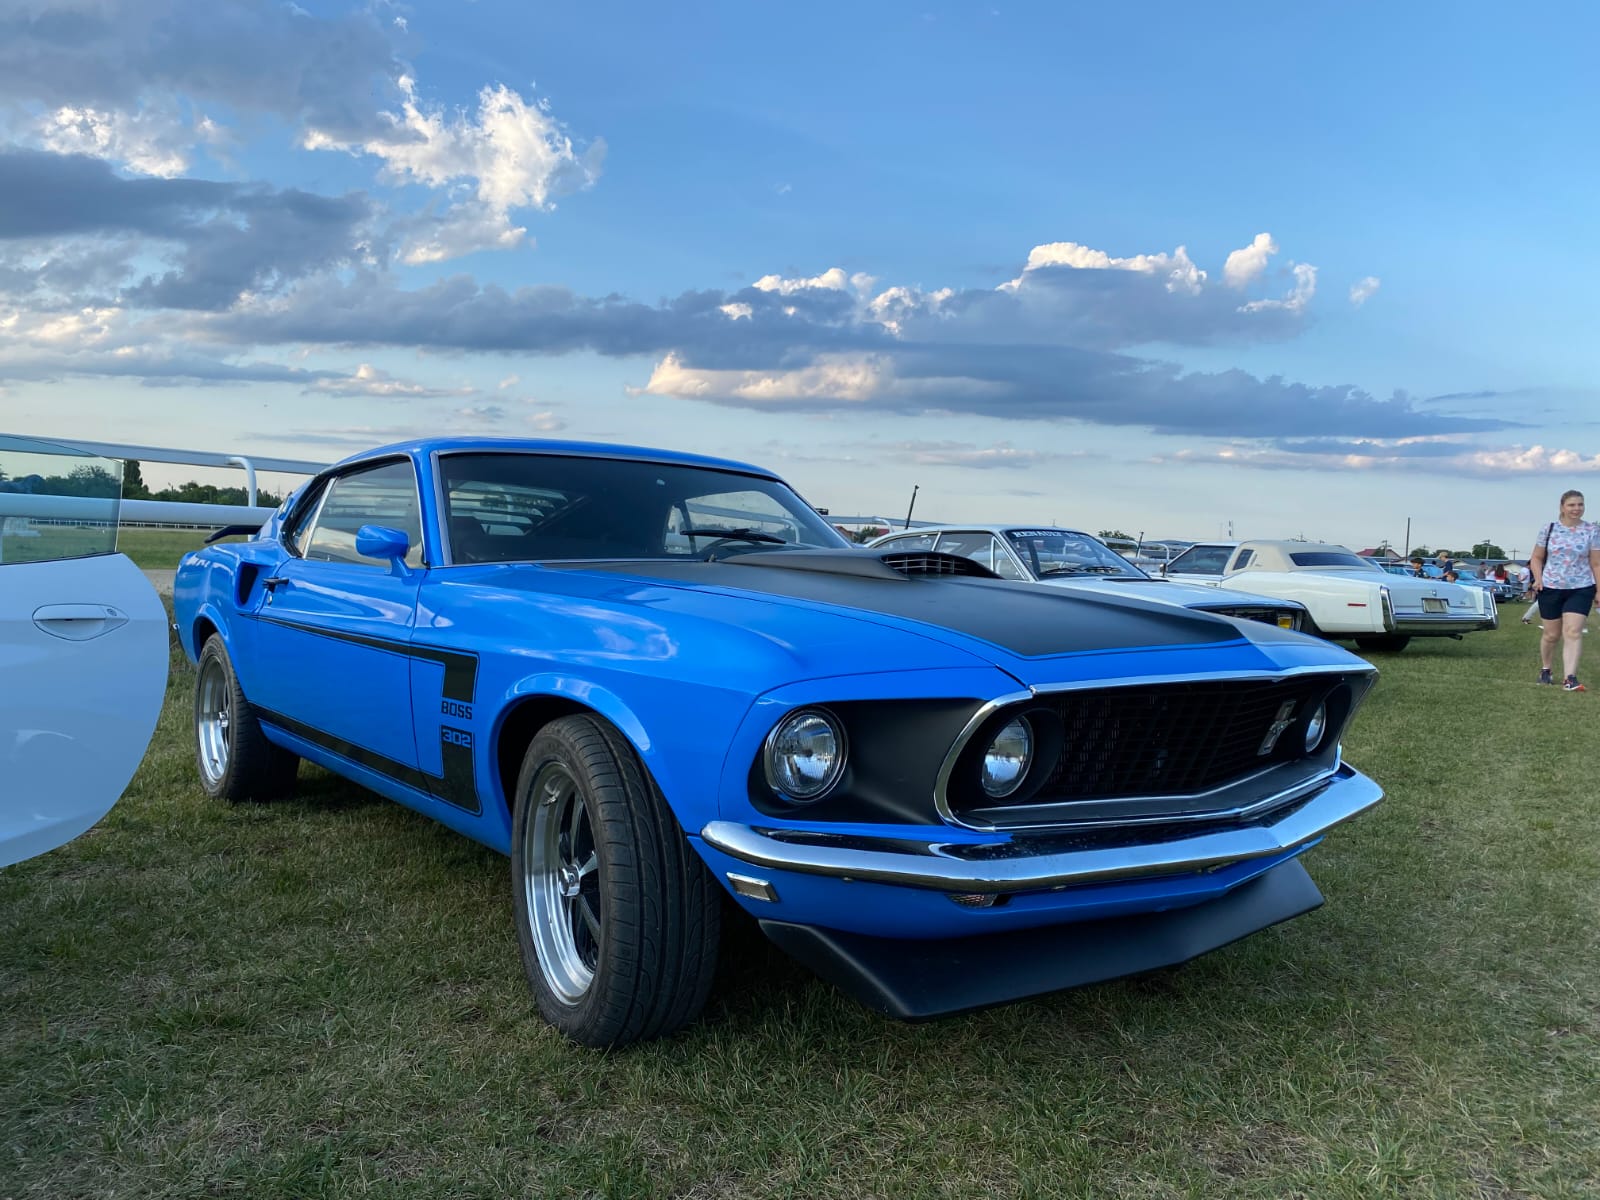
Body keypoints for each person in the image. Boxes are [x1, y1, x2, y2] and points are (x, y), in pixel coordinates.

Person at [1530, 489, 1600, 690]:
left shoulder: (1592, 530)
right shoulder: (1549, 529)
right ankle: (1546, 669)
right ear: (1562, 507)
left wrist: (1599, 589)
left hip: (1581, 587)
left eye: (1580, 504)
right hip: (1551, 586)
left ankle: (1570, 678)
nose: (1576, 509)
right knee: (1551, 635)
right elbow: (1536, 558)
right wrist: (1538, 578)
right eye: (1571, 505)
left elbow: (1596, 563)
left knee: (1573, 631)